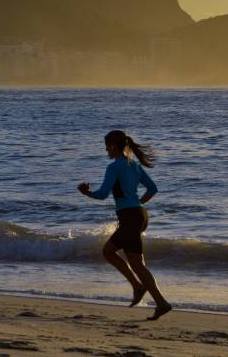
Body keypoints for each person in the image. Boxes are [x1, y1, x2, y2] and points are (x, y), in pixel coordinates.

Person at [78, 130, 172, 321]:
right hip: (140, 215)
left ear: (113, 145)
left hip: (130, 217)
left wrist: (87, 193)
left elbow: (103, 194)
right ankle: (141, 289)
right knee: (112, 252)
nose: (106, 150)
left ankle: (158, 300)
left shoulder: (114, 167)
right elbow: (152, 189)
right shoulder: (134, 165)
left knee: (133, 263)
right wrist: (138, 204)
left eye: (106, 146)